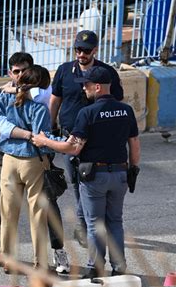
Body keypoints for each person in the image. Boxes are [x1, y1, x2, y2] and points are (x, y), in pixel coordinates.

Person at [33, 66, 140, 278]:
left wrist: (44, 141)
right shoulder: (126, 110)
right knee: (115, 222)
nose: (83, 88)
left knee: (94, 224)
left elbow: (74, 148)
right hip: (120, 174)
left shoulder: (87, 113)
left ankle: (95, 268)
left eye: (87, 84)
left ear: (97, 87)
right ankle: (119, 268)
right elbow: (134, 144)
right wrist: (133, 170)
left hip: (95, 177)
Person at [0, 53, 69, 274]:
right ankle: (40, 263)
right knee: (37, 215)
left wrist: (2, 90)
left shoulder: (7, 101)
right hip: (33, 162)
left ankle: (8, 260)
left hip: (9, 161)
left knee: (7, 212)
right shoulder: (39, 109)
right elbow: (43, 141)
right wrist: (64, 144)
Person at [49, 30, 124, 247]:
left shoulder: (106, 72)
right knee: (76, 182)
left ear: (95, 50)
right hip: (70, 137)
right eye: (78, 50)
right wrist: (51, 124)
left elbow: (116, 102)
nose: (81, 54)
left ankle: (86, 225)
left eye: (86, 50)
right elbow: (55, 100)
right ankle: (89, 223)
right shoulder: (65, 71)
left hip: (96, 140)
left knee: (88, 182)